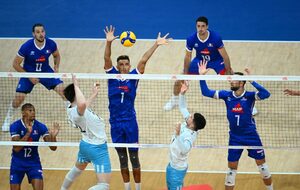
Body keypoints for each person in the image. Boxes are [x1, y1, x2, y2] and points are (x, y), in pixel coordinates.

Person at [103, 25, 170, 190]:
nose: (124, 66)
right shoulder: (111, 77)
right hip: (115, 124)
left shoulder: (134, 77)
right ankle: (127, 188)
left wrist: (156, 44)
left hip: (130, 123)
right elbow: (106, 59)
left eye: (126, 64)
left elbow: (143, 60)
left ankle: (138, 188)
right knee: (122, 159)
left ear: (129, 65)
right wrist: (109, 42)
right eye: (121, 64)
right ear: (118, 66)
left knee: (134, 158)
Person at [198, 60, 273, 190]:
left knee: (263, 167)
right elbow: (206, 92)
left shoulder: (250, 96)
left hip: (251, 136)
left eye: (234, 80)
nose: (231, 81)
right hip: (235, 137)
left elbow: (266, 94)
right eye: (231, 79)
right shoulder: (226, 95)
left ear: (242, 83)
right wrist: (202, 76)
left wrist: (252, 80)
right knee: (231, 170)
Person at [2, 23, 66, 132]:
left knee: (63, 91)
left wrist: (56, 66)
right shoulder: (26, 46)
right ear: (33, 34)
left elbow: (56, 55)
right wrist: (29, 76)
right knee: (19, 99)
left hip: (45, 72)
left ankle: (71, 116)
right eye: (38, 32)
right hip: (28, 73)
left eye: (42, 31)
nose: (41, 34)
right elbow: (15, 64)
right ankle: (7, 119)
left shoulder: (51, 44)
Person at [61, 75, 111, 190]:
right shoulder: (78, 110)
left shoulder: (72, 109)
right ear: (75, 95)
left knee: (76, 170)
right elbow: (82, 104)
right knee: (104, 185)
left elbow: (84, 105)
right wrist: (76, 85)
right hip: (97, 148)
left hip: (85, 145)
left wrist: (94, 94)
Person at [10, 103, 60, 190]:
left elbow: (53, 148)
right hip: (17, 163)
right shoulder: (15, 126)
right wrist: (28, 133)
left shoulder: (40, 126)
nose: (33, 112)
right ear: (23, 113)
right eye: (30, 110)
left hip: (33, 163)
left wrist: (53, 136)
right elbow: (16, 148)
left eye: (33, 110)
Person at [166, 81, 206, 190]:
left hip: (177, 169)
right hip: (172, 165)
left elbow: (184, 149)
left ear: (193, 123)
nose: (188, 116)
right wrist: (182, 94)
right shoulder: (188, 124)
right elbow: (183, 108)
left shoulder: (190, 136)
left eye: (191, 117)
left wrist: (178, 135)